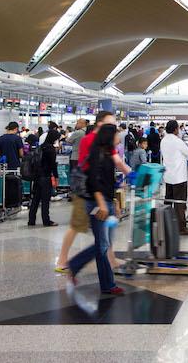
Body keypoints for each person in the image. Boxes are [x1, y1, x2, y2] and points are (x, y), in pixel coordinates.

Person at [56, 111, 130, 273]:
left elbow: (118, 162)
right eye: (110, 124)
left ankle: (110, 259)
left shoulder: (107, 141)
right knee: (77, 225)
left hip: (101, 191)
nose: (114, 127)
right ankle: (62, 260)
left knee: (107, 228)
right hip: (87, 192)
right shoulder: (88, 140)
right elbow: (89, 168)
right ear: (99, 123)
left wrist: (130, 175)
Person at [67, 123, 125, 296]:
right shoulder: (98, 155)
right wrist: (101, 203)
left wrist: (113, 201)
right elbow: (93, 181)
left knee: (104, 244)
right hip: (97, 203)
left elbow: (106, 182)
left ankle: (102, 281)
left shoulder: (107, 154)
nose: (119, 137)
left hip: (105, 201)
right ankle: (105, 283)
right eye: (116, 134)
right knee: (103, 244)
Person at [161, 120, 188, 235]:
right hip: (179, 177)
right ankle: (181, 228)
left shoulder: (164, 140)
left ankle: (166, 224)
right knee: (180, 203)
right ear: (176, 129)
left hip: (168, 176)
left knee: (168, 201)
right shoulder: (178, 141)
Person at [27, 129, 60, 227]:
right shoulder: (51, 149)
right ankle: (46, 221)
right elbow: (53, 165)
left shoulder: (41, 147)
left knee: (35, 199)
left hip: (37, 176)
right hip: (45, 177)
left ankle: (31, 220)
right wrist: (56, 177)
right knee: (45, 200)